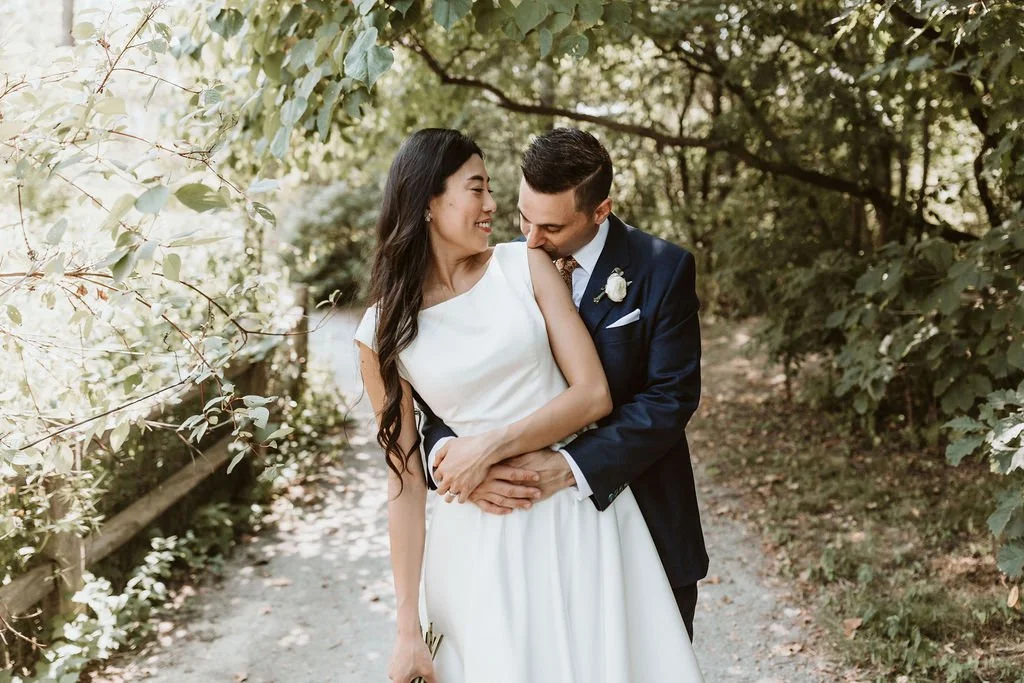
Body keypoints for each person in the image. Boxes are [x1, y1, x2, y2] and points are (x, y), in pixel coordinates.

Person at [354, 128, 704, 683]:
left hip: (590, 520)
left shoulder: (534, 266)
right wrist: (405, 629)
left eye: (550, 225)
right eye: (482, 190)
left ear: (598, 211)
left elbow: (635, 397)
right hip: (477, 536)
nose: (524, 229)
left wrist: (512, 453)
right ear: (426, 203)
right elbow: (406, 473)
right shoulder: (380, 332)